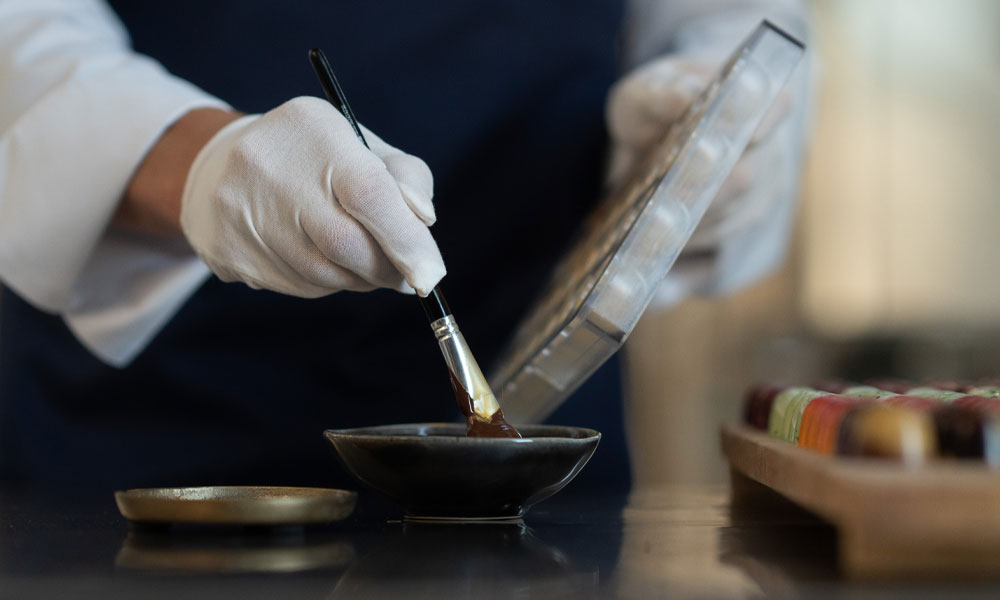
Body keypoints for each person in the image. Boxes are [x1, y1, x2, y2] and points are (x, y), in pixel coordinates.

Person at [0, 0, 809, 490]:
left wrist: (702, 135)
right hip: (144, 430)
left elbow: (723, 20)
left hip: (539, 418)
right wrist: (200, 163)